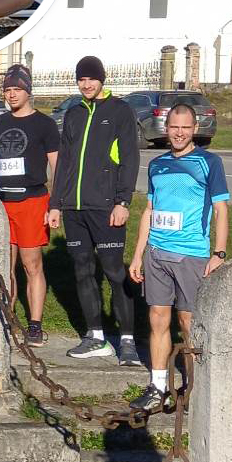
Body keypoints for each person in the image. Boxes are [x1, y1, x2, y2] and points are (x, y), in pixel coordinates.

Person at [128, 104, 230, 412]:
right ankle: (158, 386)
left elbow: (222, 210)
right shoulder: (156, 164)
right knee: (158, 319)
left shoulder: (209, 162)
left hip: (191, 256)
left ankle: (195, 387)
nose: (179, 133)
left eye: (185, 127)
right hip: (157, 254)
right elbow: (149, 211)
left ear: (194, 128)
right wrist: (137, 255)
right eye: (174, 127)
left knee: (188, 322)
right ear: (166, 128)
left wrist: (219, 253)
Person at [48, 55, 142, 366]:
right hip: (75, 209)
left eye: (91, 78)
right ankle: (96, 336)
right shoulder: (74, 114)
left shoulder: (120, 111)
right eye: (81, 79)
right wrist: (55, 204)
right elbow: (65, 163)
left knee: (115, 273)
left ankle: (127, 340)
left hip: (106, 209)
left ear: (102, 78)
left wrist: (123, 201)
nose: (86, 84)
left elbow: (130, 159)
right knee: (83, 271)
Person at [0, 65, 60, 346]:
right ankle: (7, 319)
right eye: (8, 90)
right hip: (4, 203)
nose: (12, 94)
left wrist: (56, 205)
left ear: (28, 91)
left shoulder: (44, 124)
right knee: (5, 265)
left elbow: (56, 166)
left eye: (17, 89)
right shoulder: (0, 123)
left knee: (32, 264)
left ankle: (35, 325)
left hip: (32, 201)